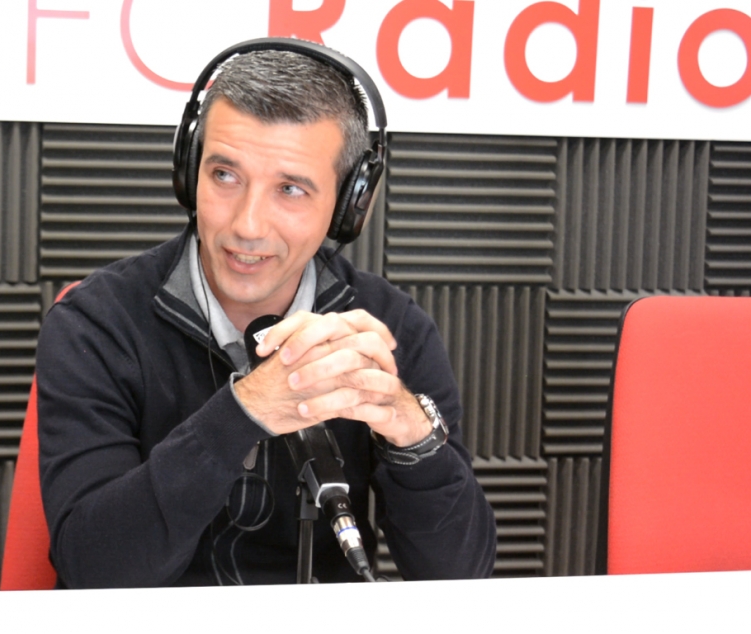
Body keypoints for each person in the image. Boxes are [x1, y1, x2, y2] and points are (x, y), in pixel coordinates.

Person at [36, 39, 496, 588]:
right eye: (225, 176)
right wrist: (243, 412)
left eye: (291, 189)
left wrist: (412, 437)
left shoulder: (389, 328)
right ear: (190, 171)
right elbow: (95, 569)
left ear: (349, 204)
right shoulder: (97, 323)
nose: (248, 224)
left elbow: (461, 578)